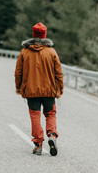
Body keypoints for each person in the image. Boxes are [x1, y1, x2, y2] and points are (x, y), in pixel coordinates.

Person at [14, 22, 63, 156]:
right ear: (44, 35)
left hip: (31, 91)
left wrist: (19, 88)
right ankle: (52, 135)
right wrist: (60, 89)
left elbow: (18, 72)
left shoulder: (24, 51)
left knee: (35, 116)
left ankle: (38, 145)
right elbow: (58, 72)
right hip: (49, 91)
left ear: (33, 34)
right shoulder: (52, 51)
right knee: (50, 114)